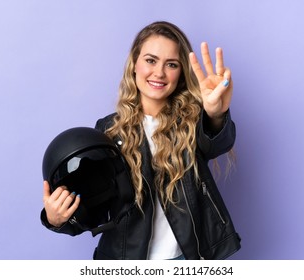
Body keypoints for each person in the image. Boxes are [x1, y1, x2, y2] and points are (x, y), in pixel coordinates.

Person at [41, 21, 241, 260]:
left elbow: (218, 143)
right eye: (150, 60)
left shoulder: (193, 121)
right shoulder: (107, 131)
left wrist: (215, 114)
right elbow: (93, 208)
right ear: (134, 64)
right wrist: (56, 219)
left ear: (181, 73)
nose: (159, 72)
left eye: (172, 64)